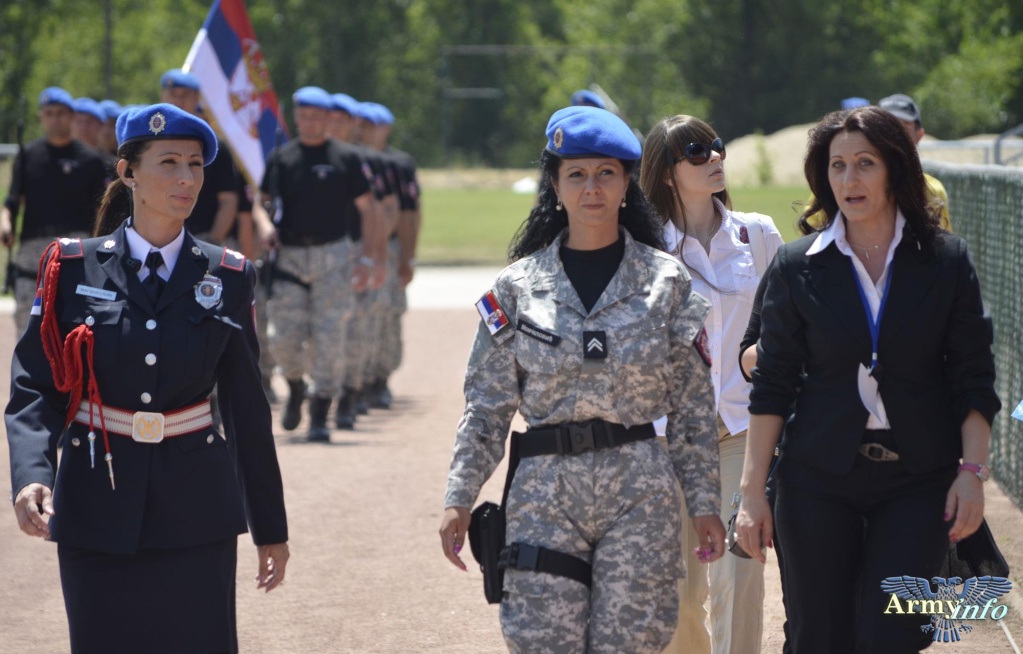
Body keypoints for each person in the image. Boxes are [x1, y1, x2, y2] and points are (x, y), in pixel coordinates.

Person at [439, 106, 725, 653]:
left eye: (606, 173)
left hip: (639, 491)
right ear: (554, 185)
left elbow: (691, 408)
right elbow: (487, 405)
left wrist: (704, 502)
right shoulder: (518, 287)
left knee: (632, 643)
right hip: (544, 494)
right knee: (540, 642)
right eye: (576, 174)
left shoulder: (667, 283)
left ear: (625, 185)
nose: (591, 188)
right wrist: (459, 495)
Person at [6, 103, 290, 653]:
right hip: (94, 503)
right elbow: (34, 387)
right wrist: (30, 474)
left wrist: (270, 527)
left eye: (195, 165)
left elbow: (246, 409)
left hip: (196, 512)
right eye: (169, 163)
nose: (187, 179)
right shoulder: (70, 268)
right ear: (127, 172)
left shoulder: (228, 275)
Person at [736, 106, 1000, 653]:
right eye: (837, 166)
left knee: (893, 635)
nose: (849, 180)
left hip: (919, 480)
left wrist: (971, 471)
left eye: (864, 164)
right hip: (815, 477)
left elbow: (974, 377)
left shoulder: (947, 262)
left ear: (895, 169)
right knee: (817, 636)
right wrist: (750, 493)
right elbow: (773, 385)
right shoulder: (795, 265)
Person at [641, 115, 782, 654]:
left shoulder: (760, 234)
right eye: (697, 152)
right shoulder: (640, 246)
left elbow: (786, 324)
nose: (715, 157)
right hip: (664, 439)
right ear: (668, 173)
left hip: (743, 433)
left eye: (716, 147)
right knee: (677, 595)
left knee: (739, 579)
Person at [257, 86, 380, 441]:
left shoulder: (345, 158)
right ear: (296, 117)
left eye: (317, 116)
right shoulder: (282, 158)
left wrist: (369, 258)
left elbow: (368, 209)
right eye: (304, 116)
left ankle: (320, 416)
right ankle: (296, 386)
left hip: (334, 258)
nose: (310, 123)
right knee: (282, 340)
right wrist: (264, 225)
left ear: (328, 119)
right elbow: (259, 202)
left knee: (330, 340)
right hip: (290, 259)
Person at [1, 87, 108, 335]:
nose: (55, 119)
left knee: (74, 320)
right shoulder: (28, 155)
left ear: (71, 116)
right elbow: (12, 201)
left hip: (76, 248)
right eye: (49, 113)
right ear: (41, 117)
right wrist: (5, 224)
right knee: (28, 320)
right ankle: (27, 373)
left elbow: (101, 208)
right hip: (33, 249)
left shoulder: (90, 160)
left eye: (60, 113)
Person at [160, 68, 239, 244]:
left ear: (197, 99)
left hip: (202, 239)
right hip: (158, 238)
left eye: (185, 95)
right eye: (173, 94)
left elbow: (228, 201)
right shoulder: (150, 142)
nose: (179, 100)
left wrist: (213, 240)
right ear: (162, 96)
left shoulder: (212, 144)